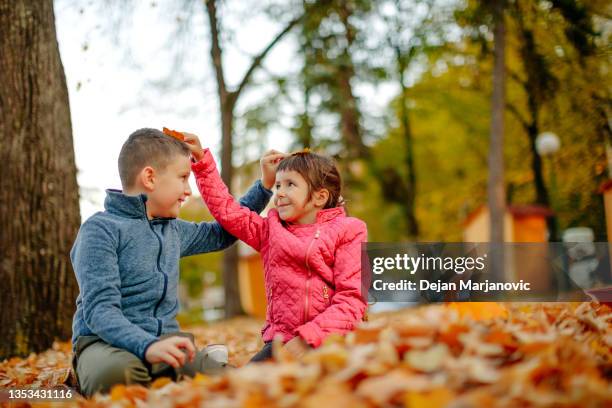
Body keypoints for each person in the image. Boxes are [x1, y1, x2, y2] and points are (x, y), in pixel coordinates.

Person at [70, 128, 279, 396]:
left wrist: (264, 186)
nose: (188, 191)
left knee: (228, 382)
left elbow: (225, 232)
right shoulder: (100, 230)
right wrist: (146, 346)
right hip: (104, 343)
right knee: (120, 376)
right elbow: (100, 310)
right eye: (183, 178)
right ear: (150, 177)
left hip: (166, 343)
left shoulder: (174, 230)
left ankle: (173, 372)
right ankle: (93, 373)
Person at [185, 133, 367, 362]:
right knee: (245, 386)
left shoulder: (349, 230)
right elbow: (228, 212)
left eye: (290, 185)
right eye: (278, 185)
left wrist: (309, 338)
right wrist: (202, 163)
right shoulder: (270, 231)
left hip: (333, 339)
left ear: (320, 197)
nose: (279, 193)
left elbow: (352, 299)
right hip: (282, 342)